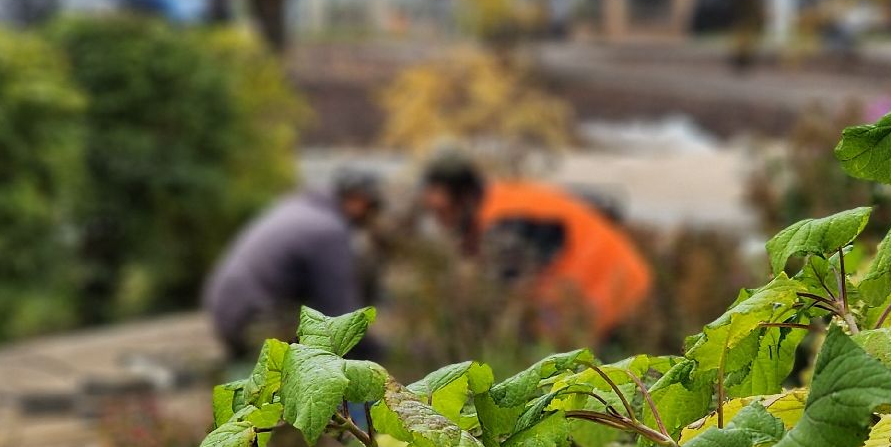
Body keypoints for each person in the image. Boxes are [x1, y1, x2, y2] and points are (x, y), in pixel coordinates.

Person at [420, 156, 652, 341]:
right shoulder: (503, 204)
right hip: (610, 299)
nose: (440, 220)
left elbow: (509, 302)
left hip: (617, 299)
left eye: (441, 209)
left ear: (464, 197)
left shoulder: (505, 224)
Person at [204, 172, 383, 363]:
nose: (370, 216)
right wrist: (377, 353)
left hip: (228, 314)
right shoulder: (328, 230)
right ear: (357, 200)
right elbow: (340, 315)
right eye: (371, 207)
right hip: (252, 321)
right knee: (325, 358)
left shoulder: (300, 206)